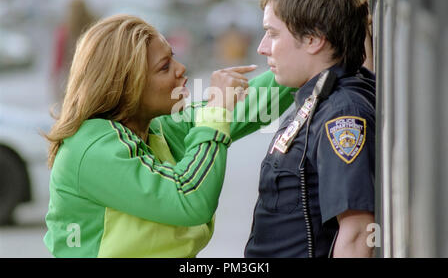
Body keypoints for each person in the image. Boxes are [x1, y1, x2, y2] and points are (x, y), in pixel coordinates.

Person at [43, 14, 295, 257]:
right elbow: (189, 200)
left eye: (173, 58)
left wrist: (302, 60)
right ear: (127, 84)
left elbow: (254, 105)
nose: (181, 68)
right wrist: (216, 111)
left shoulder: (156, 126)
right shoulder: (91, 148)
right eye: (164, 66)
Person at [244, 0, 376, 258]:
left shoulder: (343, 114)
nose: (263, 47)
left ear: (314, 39)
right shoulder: (324, 94)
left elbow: (356, 234)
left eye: (273, 34)